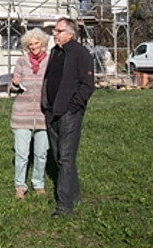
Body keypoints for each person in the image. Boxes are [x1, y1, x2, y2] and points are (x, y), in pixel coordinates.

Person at [41, 17, 95, 217]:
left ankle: (64, 206)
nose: (54, 33)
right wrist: (45, 104)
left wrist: (73, 107)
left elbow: (87, 84)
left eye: (58, 30)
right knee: (59, 157)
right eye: (54, 30)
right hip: (51, 111)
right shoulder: (55, 52)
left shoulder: (80, 53)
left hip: (69, 114)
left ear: (70, 34)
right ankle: (74, 195)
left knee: (65, 157)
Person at [10, 27, 50, 199]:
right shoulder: (21, 61)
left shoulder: (50, 61)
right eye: (30, 44)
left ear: (42, 43)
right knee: (21, 152)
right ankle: (20, 185)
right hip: (22, 113)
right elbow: (12, 86)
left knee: (41, 153)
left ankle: (38, 183)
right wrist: (14, 84)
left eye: (37, 43)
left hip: (43, 114)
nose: (34, 46)